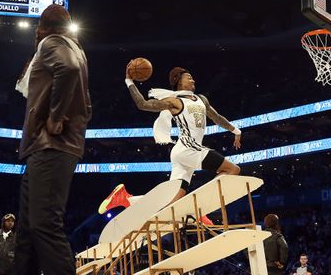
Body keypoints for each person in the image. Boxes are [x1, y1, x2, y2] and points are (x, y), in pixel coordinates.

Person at [13, 4, 92, 275]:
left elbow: (67, 69)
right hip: (45, 146)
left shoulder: (53, 43)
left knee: (43, 224)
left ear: (41, 28)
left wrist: (56, 116)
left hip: (52, 144)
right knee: (27, 230)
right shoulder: (74, 47)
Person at [100, 66, 241, 211]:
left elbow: (216, 118)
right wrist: (129, 81)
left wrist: (235, 130)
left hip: (182, 153)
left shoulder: (201, 99)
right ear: (179, 81)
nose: (193, 79)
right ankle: (201, 206)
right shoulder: (175, 101)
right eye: (189, 77)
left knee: (169, 203)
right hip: (189, 149)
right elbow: (143, 104)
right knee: (233, 169)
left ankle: (126, 198)